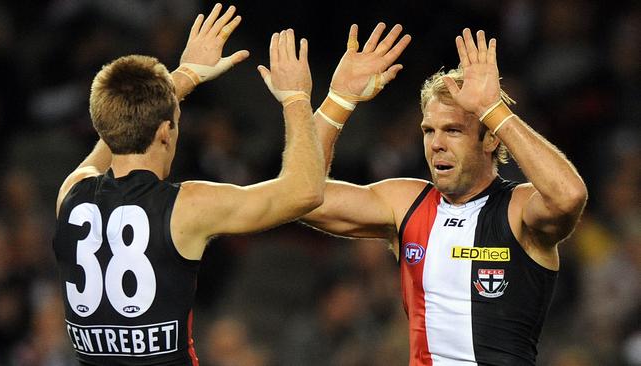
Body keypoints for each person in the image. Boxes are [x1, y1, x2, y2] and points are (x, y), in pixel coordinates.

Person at [52, 4, 331, 365]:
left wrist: (183, 75)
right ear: (167, 132)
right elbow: (305, 190)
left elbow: (110, 139)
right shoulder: (187, 205)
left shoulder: (70, 193)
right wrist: (295, 97)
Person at [302, 27, 588, 365]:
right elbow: (304, 196)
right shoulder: (406, 203)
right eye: (428, 130)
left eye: (453, 130)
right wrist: (339, 99)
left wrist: (494, 111)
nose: (436, 143)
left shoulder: (518, 209)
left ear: (491, 139)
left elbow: (569, 196)